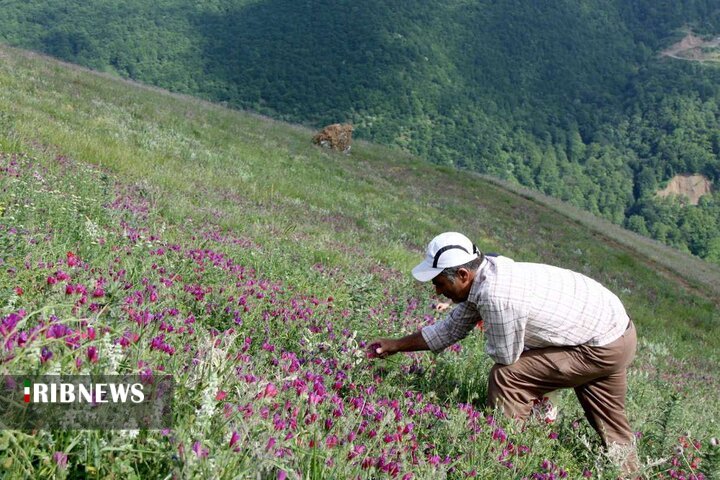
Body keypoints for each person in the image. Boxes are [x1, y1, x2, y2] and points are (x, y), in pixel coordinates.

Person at [368, 232, 638, 475]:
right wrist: (395, 345)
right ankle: (630, 473)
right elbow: (450, 329)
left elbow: (507, 357)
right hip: (617, 331)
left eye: (439, 283)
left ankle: (507, 458)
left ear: (463, 274)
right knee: (612, 425)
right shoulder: (487, 273)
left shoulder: (497, 296)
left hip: (600, 346)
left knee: (508, 376)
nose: (437, 291)